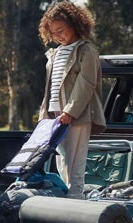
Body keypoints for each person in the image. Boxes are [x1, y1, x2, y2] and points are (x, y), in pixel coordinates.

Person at [38, 1, 106, 199]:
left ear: (75, 25)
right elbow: (50, 87)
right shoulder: (55, 53)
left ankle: (75, 200)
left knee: (75, 162)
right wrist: (45, 115)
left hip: (75, 116)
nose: (58, 36)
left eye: (61, 30)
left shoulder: (87, 51)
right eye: (53, 33)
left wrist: (70, 111)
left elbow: (86, 84)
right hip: (55, 116)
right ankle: (68, 199)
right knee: (62, 160)